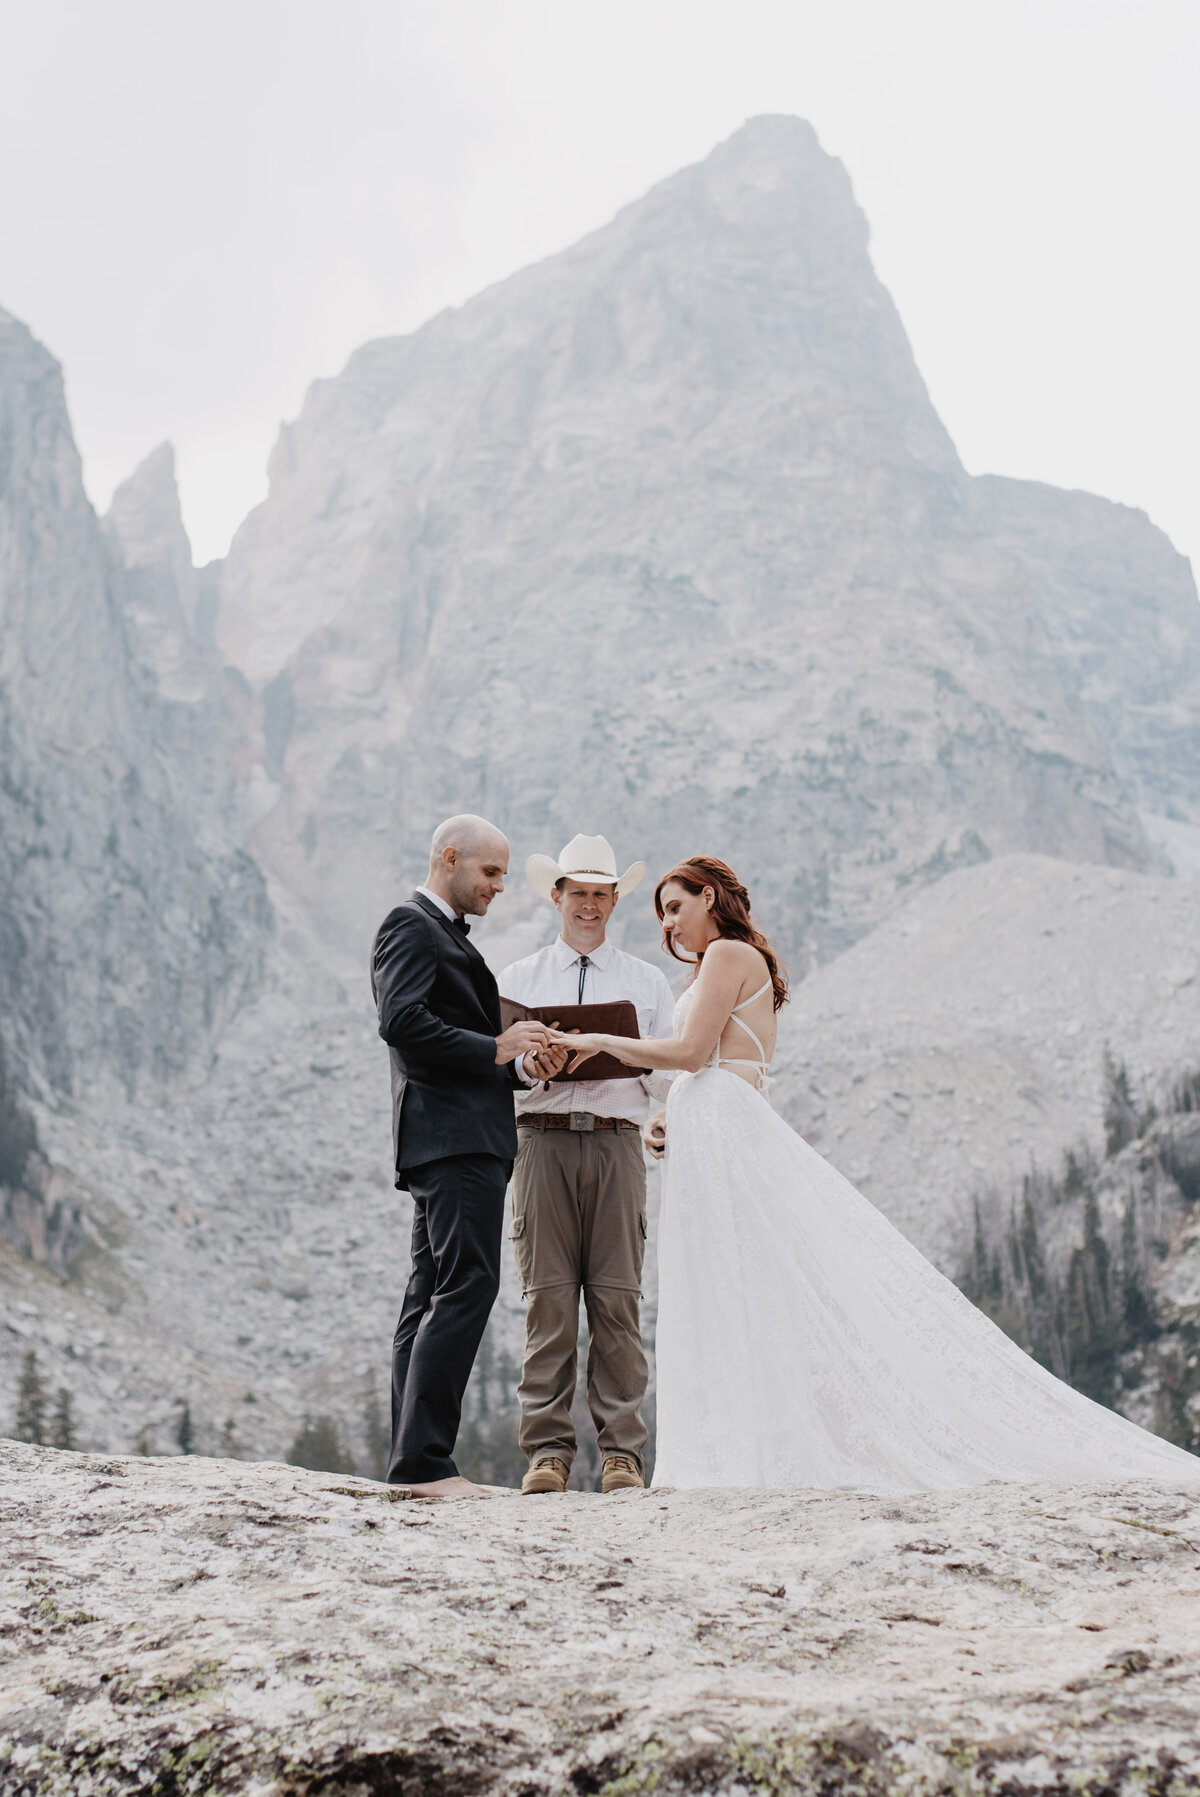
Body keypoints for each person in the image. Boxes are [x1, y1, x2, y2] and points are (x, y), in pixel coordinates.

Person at [554, 856, 1200, 1490]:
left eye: (675, 906)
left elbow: (693, 1051)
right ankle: (744, 1443)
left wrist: (600, 1042)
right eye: (662, 914)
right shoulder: (730, 962)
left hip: (725, 1124)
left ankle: (743, 1447)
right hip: (717, 1121)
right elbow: (718, 1062)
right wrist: (674, 1112)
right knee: (732, 1280)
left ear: (710, 898)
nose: (667, 924)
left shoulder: (726, 955)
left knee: (735, 1280)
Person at [371, 814, 568, 1498]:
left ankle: (409, 1464)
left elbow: (458, 1040)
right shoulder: (410, 925)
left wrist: (525, 1066)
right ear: (448, 857)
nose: (498, 888)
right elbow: (401, 1022)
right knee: (466, 1285)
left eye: (503, 877)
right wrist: (494, 1046)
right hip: (454, 1140)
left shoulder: (440, 935)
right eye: (489, 873)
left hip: (452, 1134)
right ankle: (424, 1464)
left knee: (428, 1293)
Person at [499, 834, 675, 1495]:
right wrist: (527, 1064)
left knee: (616, 1298)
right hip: (540, 1140)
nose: (591, 905)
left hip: (615, 1141)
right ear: (557, 896)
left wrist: (631, 1060)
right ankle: (546, 1450)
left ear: (613, 900)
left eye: (602, 894)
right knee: (546, 1298)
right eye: (580, 893)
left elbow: (668, 1069)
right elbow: (499, 1064)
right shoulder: (517, 979)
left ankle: (622, 1453)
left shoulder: (646, 981)